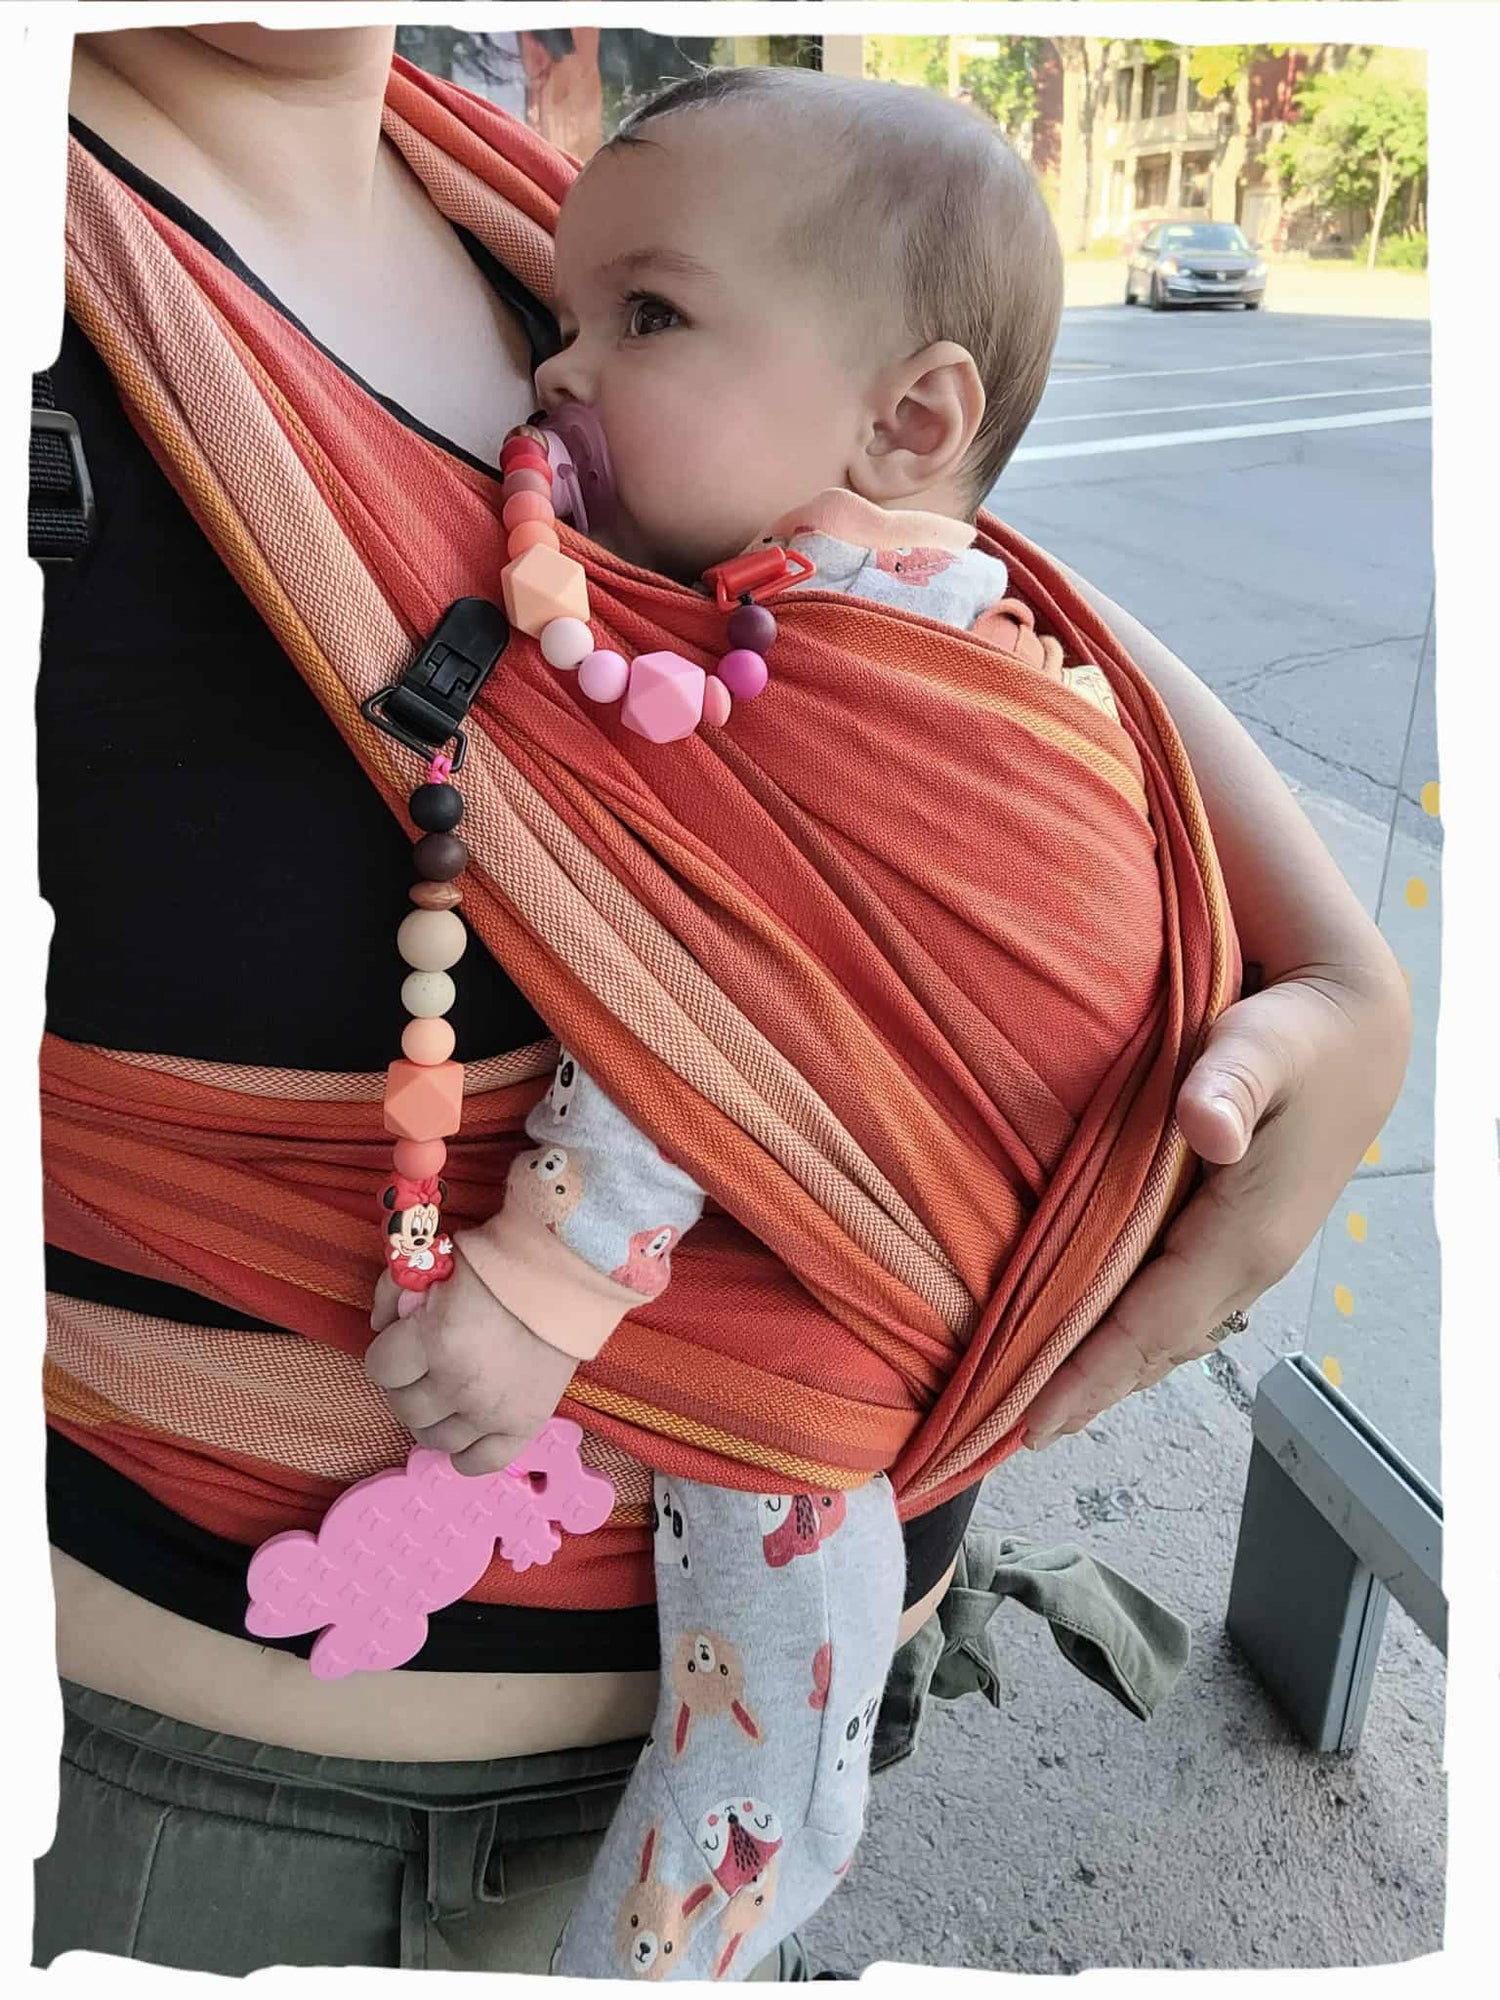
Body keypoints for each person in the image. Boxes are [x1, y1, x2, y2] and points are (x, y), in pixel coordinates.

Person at [32, 23, 1411, 1979]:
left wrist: (1347, 974)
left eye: (636, 323)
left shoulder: (532, 210)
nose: (562, 376)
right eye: (590, 328)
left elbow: (965, 607)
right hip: (264, 1839)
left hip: (835, 1616)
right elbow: (721, 1014)